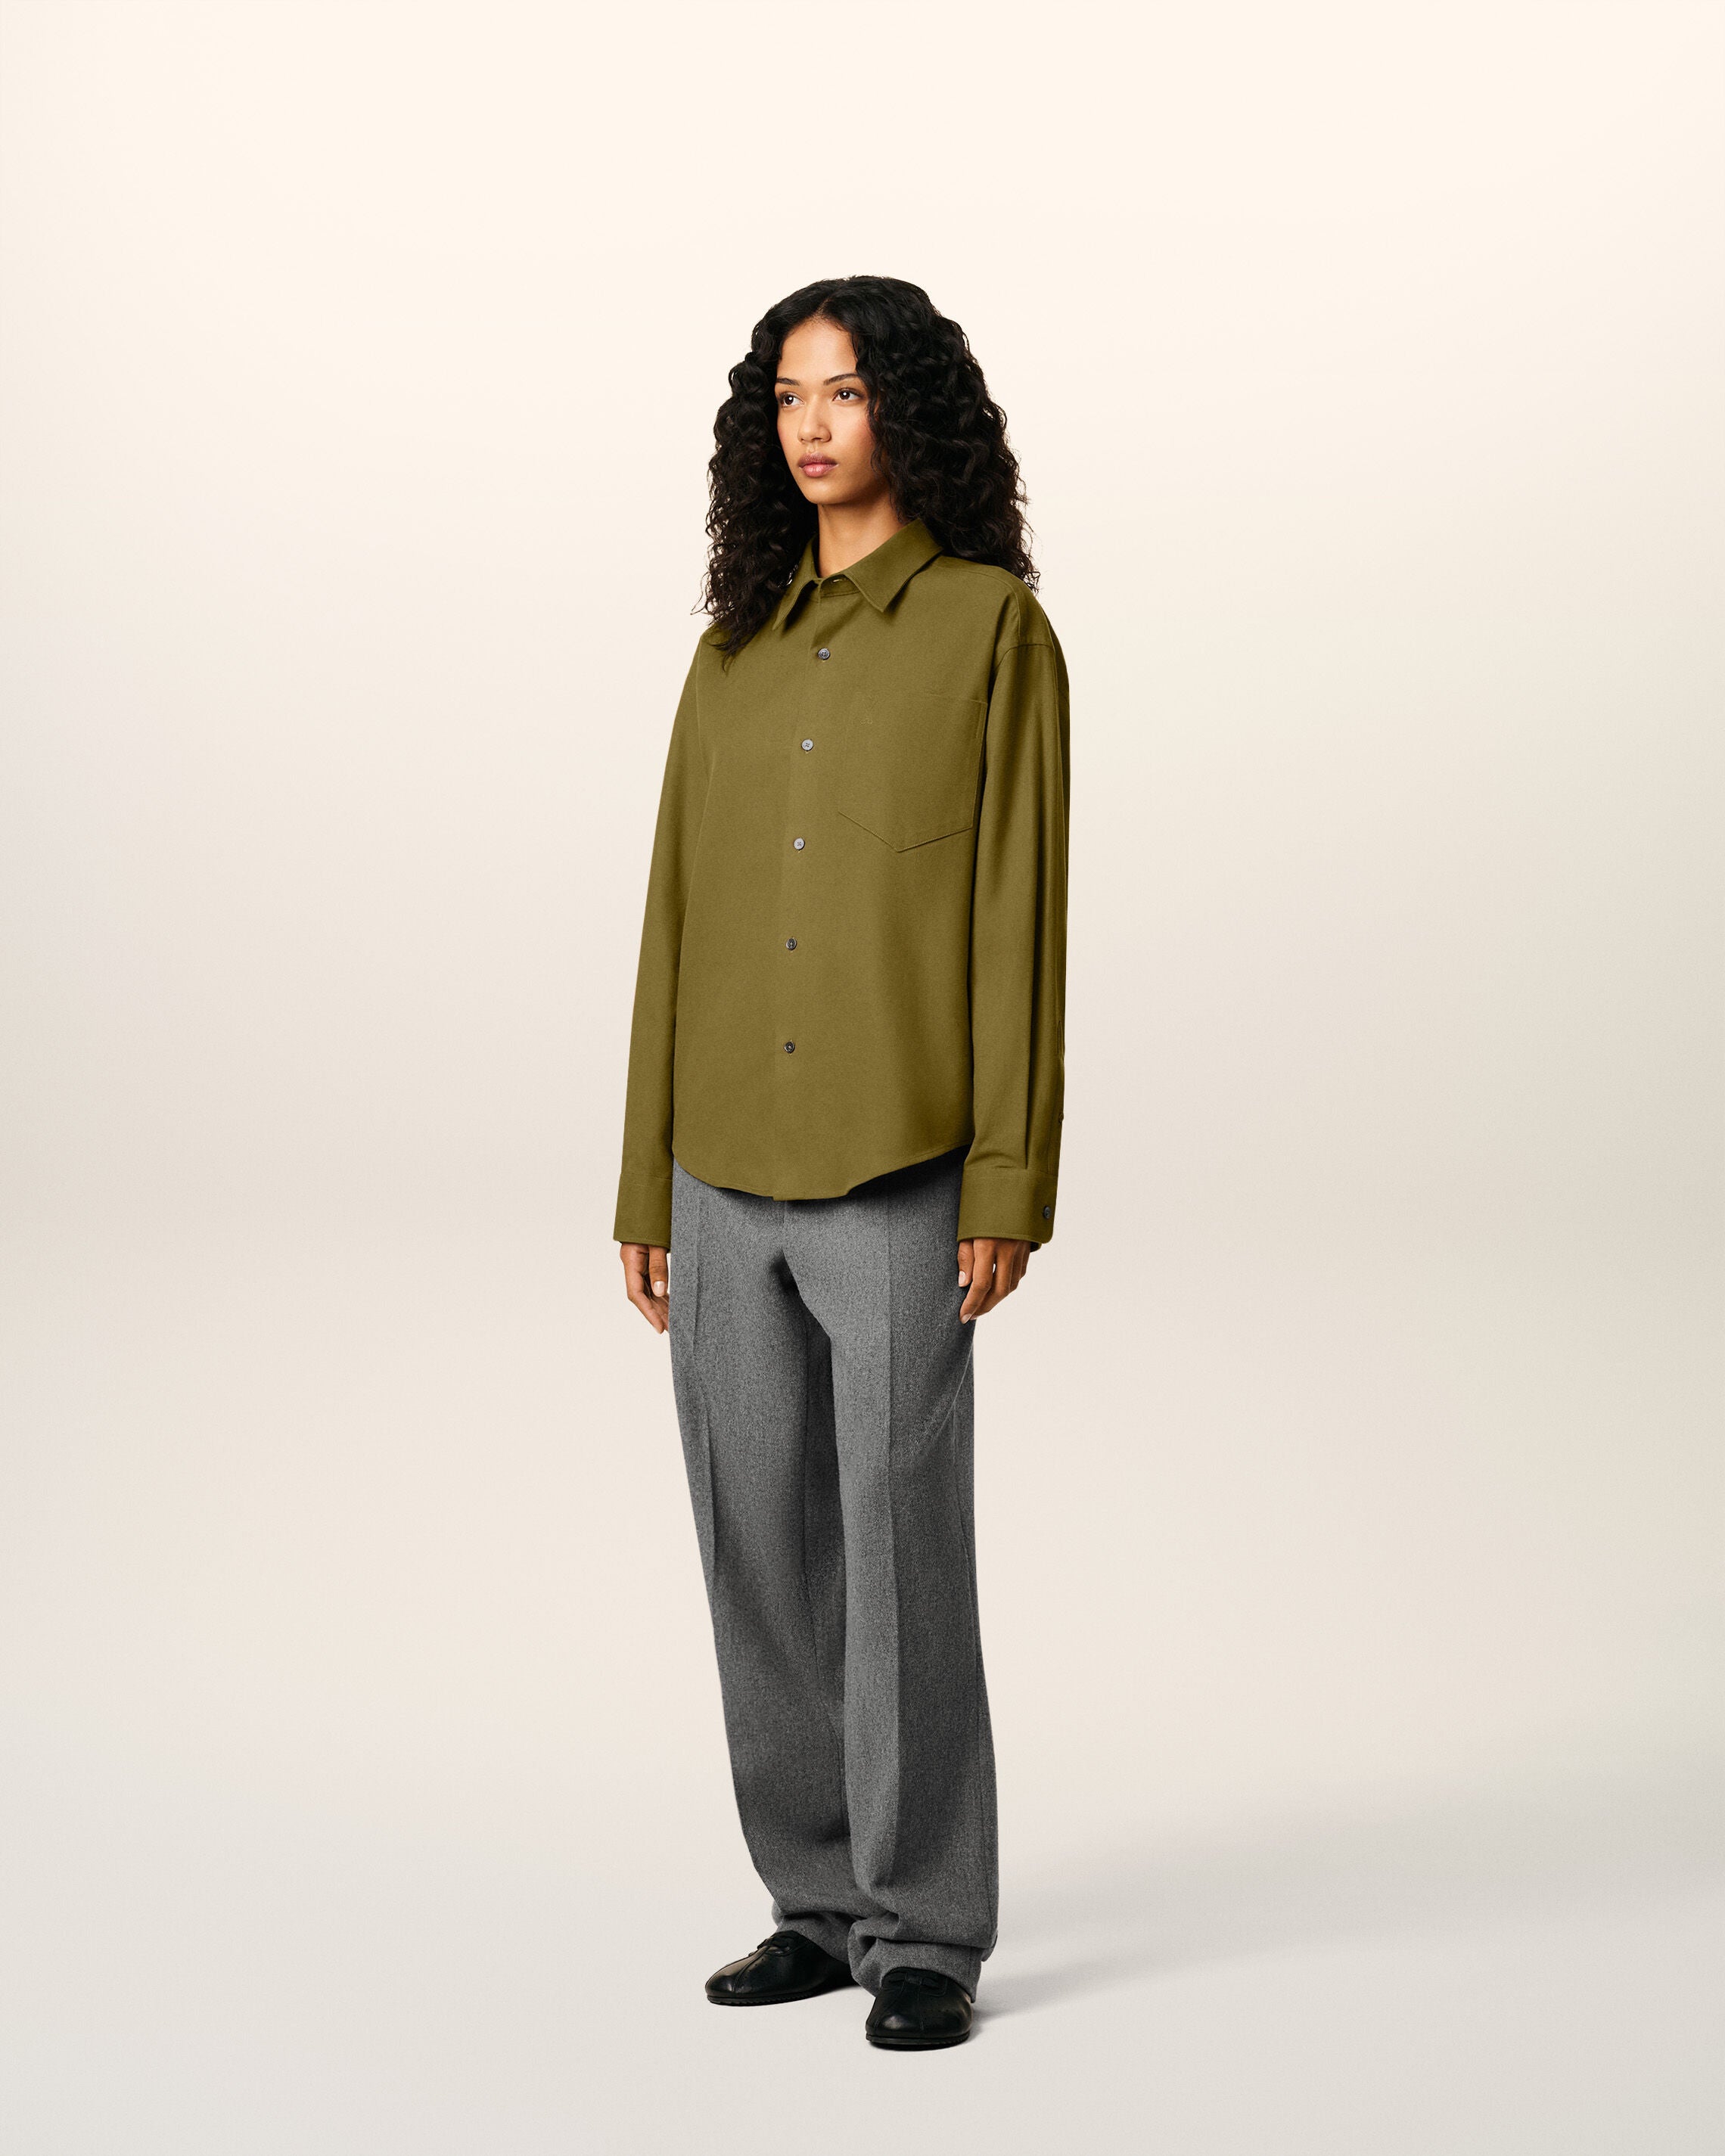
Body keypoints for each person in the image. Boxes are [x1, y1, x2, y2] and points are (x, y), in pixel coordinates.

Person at [614, 275, 1068, 2051]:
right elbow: (671, 922)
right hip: (720, 1168)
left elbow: (1017, 920)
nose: (814, 425)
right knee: (757, 1544)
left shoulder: (990, 632)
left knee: (898, 1546)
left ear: (910, 413)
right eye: (790, 396)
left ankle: (926, 1925)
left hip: (901, 1167)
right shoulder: (729, 654)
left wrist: (1007, 1179)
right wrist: (643, 1180)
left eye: (848, 392)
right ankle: (813, 1900)